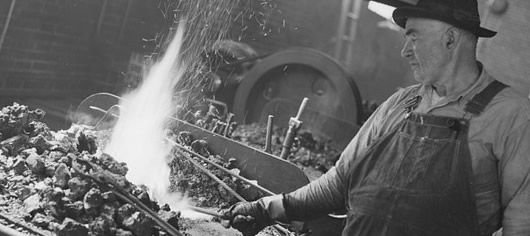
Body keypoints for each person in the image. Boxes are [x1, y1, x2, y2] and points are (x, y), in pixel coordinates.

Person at [221, 0, 530, 235]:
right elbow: (340, 182)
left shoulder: (512, 115)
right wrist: (266, 208)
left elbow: (522, 224)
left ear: (450, 39)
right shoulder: (401, 103)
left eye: (414, 37)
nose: (405, 51)